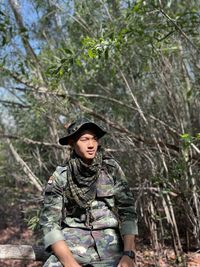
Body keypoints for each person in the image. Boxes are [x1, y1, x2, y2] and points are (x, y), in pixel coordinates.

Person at [40, 117, 138, 267]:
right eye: (84, 139)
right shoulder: (61, 177)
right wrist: (70, 264)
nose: (91, 145)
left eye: (94, 139)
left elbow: (128, 211)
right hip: (73, 244)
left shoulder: (110, 169)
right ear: (72, 143)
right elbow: (49, 223)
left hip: (110, 242)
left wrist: (129, 254)